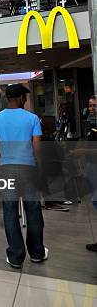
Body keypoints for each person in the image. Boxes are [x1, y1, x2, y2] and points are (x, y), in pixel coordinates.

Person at [0, 84, 48, 269]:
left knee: (10, 212)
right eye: (25, 97)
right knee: (33, 210)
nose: (26, 100)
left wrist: (1, 162)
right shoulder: (32, 119)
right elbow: (37, 146)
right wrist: (39, 166)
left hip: (7, 168)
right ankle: (37, 253)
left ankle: (15, 256)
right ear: (21, 98)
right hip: (28, 167)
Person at [73, 95, 97, 252]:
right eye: (90, 105)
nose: (91, 108)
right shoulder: (92, 122)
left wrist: (83, 150)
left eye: (94, 105)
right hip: (91, 165)